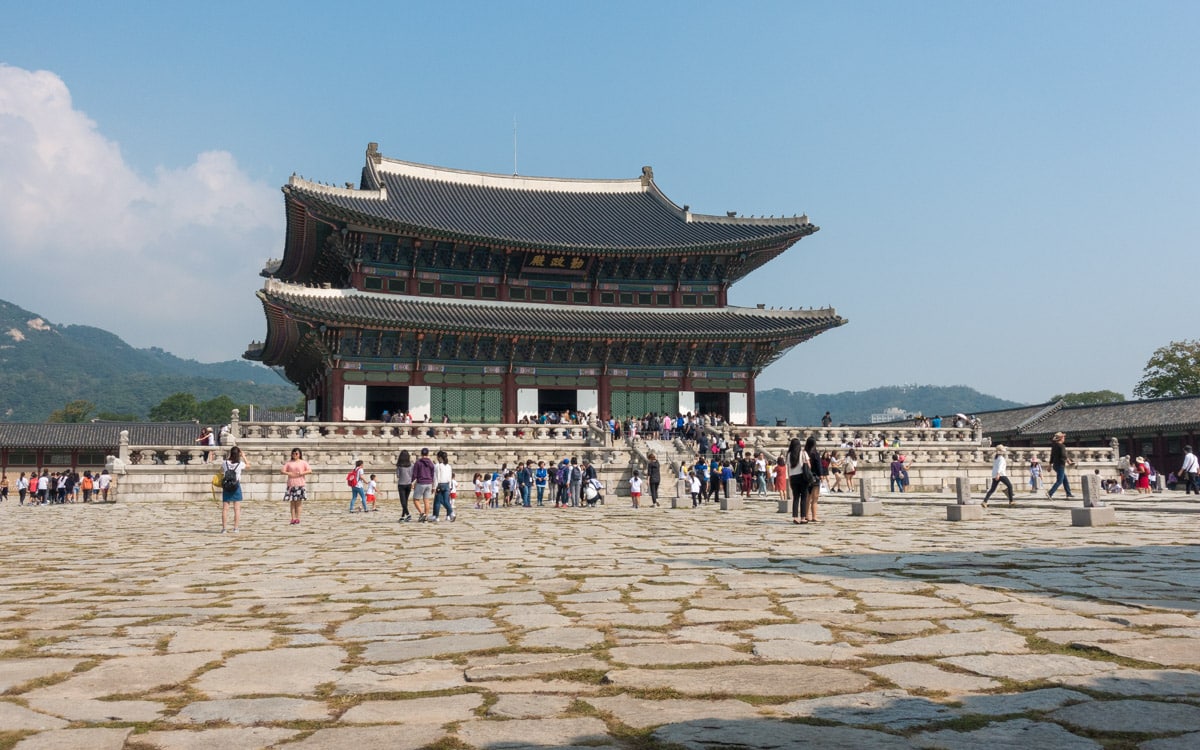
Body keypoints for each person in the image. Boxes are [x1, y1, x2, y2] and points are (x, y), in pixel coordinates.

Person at [220, 446, 249, 533]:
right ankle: (235, 528)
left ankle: (224, 528)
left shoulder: (224, 462)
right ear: (238, 454)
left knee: (225, 508)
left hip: (227, 485)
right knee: (237, 508)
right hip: (236, 485)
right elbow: (248, 465)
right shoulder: (240, 464)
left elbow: (221, 470)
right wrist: (244, 456)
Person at [281, 447, 312, 525]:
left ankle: (298, 518)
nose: (294, 455)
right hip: (291, 484)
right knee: (292, 502)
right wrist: (289, 473)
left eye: (296, 453)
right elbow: (282, 470)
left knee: (298, 502)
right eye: (293, 453)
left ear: (299, 454)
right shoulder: (289, 463)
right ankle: (293, 518)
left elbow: (310, 470)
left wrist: (302, 473)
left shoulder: (303, 462)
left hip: (300, 484)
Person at [786, 437, 813, 525]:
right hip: (802, 477)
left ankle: (795, 517)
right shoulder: (803, 453)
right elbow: (809, 465)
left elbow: (788, 468)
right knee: (804, 497)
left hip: (793, 477)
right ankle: (803, 517)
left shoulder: (789, 454)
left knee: (796, 497)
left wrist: (789, 479)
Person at [1047, 432, 1076, 499]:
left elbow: (1052, 456)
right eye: (1063, 437)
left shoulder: (1054, 446)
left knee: (1065, 480)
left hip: (1055, 465)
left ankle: (1068, 493)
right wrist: (1068, 461)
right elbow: (1064, 455)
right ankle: (1050, 493)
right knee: (1059, 481)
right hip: (1060, 465)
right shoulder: (1062, 446)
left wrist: (1050, 465)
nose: (1064, 438)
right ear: (1061, 438)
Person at [411, 447, 436, 522]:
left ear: (421, 454)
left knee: (416, 499)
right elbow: (433, 474)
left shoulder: (418, 463)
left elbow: (414, 474)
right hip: (429, 483)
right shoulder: (431, 463)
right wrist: (433, 485)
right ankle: (426, 516)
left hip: (421, 482)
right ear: (428, 454)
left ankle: (422, 513)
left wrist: (411, 482)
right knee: (426, 500)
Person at [432, 450, 454, 521]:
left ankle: (436, 516)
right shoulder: (449, 466)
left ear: (439, 457)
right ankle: (450, 514)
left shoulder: (438, 466)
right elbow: (450, 477)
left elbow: (436, 477)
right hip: (447, 484)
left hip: (440, 485)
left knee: (437, 501)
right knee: (446, 501)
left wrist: (434, 487)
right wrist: (450, 486)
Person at [805, 436, 823, 522]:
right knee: (815, 499)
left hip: (805, 477)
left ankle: (806, 515)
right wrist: (821, 475)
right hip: (815, 477)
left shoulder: (804, 453)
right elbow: (819, 466)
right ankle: (814, 516)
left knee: (807, 498)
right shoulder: (815, 454)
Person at [395, 450, 414, 522]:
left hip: (401, 484)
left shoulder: (399, 465)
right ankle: (403, 516)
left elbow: (398, 475)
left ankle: (408, 514)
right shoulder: (411, 464)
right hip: (408, 484)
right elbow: (412, 474)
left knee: (403, 501)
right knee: (405, 501)